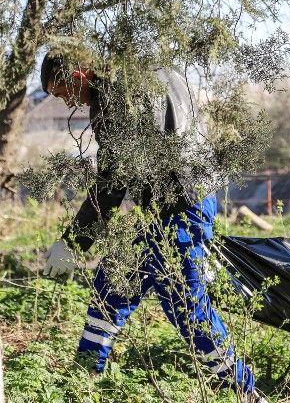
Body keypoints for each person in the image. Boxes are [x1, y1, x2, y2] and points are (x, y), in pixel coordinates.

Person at [39, 53, 267, 403]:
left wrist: (74, 242)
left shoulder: (115, 97)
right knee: (112, 285)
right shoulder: (141, 70)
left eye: (63, 91)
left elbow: (112, 181)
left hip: (181, 206)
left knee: (187, 307)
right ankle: (83, 378)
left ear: (79, 73)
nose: (68, 102)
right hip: (174, 201)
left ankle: (245, 394)